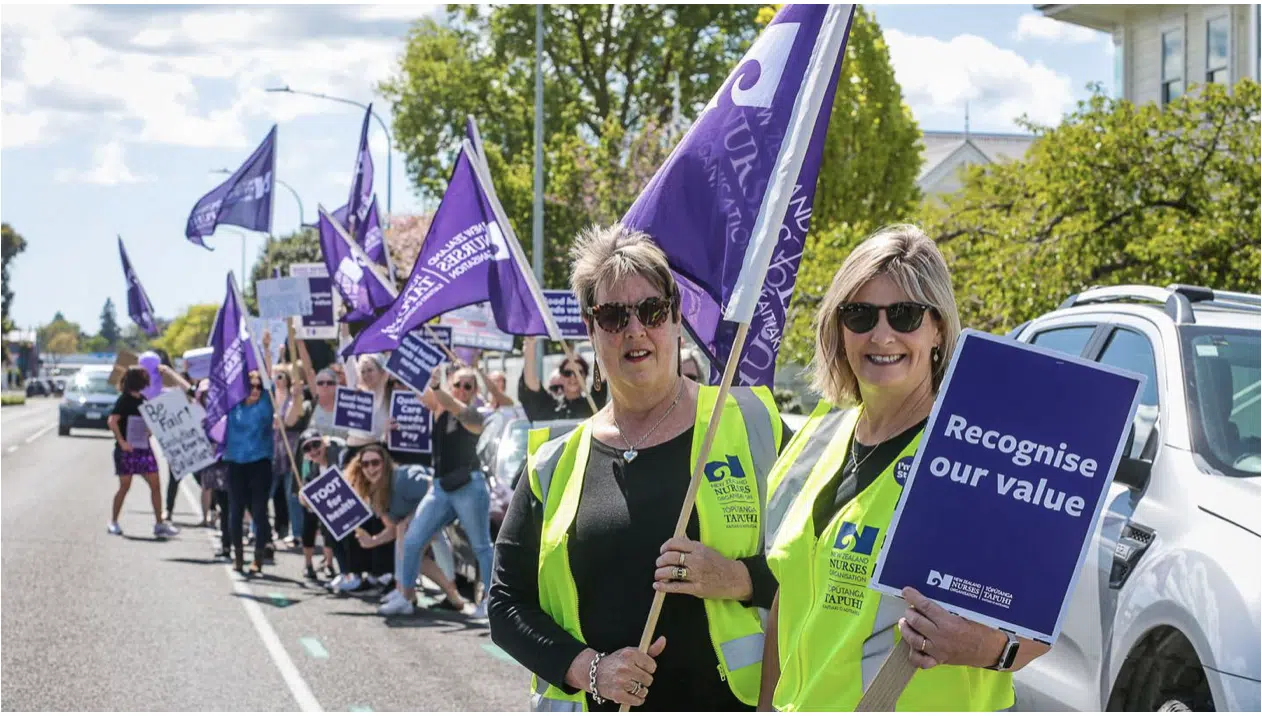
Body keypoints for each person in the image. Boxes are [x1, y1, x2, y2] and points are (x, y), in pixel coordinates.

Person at [489, 224, 785, 711]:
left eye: (651, 310)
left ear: (675, 318)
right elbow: (505, 605)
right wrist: (591, 670)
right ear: (591, 329)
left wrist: (739, 577)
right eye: (612, 315)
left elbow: (816, 563)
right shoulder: (553, 463)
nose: (634, 329)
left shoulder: (752, 423)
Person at [757, 225, 1051, 712]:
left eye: (905, 314)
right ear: (838, 328)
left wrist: (985, 649)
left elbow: (1041, 620)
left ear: (937, 328)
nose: (882, 335)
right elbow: (786, 599)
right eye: (859, 315)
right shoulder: (815, 438)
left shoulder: (981, 457)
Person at [386, 363, 492, 618]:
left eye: (468, 386)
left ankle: (490, 602)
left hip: (469, 486)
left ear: (475, 390)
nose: (462, 389)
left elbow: (457, 407)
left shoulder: (476, 414)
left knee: (481, 547)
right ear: (450, 384)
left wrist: (437, 387)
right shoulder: (439, 408)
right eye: (458, 384)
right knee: (412, 540)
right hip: (440, 488)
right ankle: (405, 596)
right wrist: (399, 358)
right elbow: (417, 387)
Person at [106, 366, 180, 539]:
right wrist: (122, 442)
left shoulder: (143, 400)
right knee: (125, 486)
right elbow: (113, 421)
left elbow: (149, 421)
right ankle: (113, 521)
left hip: (143, 448)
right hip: (127, 450)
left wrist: (149, 431)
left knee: (155, 484)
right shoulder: (123, 400)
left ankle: (159, 524)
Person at [223, 371, 275, 574]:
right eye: (250, 386)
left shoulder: (265, 404)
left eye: (258, 387)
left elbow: (268, 377)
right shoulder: (232, 406)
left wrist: (268, 350)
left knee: (259, 511)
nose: (255, 390)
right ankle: (238, 554)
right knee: (235, 511)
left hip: (260, 463)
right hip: (236, 464)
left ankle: (258, 557)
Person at [519, 336, 607, 421]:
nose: (573, 377)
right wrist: (530, 344)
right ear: (560, 376)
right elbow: (531, 383)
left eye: (579, 372)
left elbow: (602, 374)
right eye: (567, 373)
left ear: (586, 376)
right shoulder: (549, 405)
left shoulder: (593, 404)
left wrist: (600, 337)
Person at [270, 365, 310, 549]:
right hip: (272, 452)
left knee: (292, 495)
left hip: (291, 452)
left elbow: (289, 421)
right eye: (275, 377)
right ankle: (257, 531)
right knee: (263, 494)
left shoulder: (297, 400)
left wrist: (295, 397)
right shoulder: (269, 396)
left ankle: (297, 533)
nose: (278, 380)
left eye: (281, 376)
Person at [295, 429, 343, 582]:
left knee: (329, 527)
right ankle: (308, 564)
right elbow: (305, 487)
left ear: (324, 443)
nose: (313, 451)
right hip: (318, 499)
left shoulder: (337, 457)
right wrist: (304, 496)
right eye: (307, 448)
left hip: (336, 502)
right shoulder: (310, 466)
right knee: (308, 521)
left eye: (316, 445)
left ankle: (329, 564)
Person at [345, 353, 392, 461]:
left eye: (370, 370)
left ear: (382, 372)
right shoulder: (356, 394)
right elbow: (348, 361)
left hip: (377, 456)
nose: (366, 375)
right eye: (363, 372)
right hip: (353, 455)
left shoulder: (390, 398)